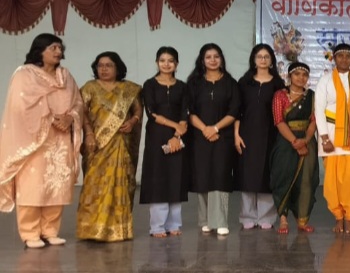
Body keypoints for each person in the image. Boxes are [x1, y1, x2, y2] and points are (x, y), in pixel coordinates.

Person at [0, 34, 83, 249]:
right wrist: (50, 117)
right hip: (34, 140)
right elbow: (20, 105)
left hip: (60, 139)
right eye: (53, 47)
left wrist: (70, 118)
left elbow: (78, 103)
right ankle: (30, 233)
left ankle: (50, 231)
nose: (58, 52)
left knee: (57, 185)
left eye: (60, 48)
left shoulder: (65, 76)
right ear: (40, 50)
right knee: (33, 187)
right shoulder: (24, 74)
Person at [77, 51, 142, 242]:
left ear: (117, 68)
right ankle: (91, 229)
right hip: (96, 144)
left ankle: (117, 229)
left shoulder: (128, 89)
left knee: (120, 183)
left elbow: (138, 109)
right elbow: (82, 113)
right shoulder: (89, 87)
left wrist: (132, 121)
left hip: (120, 143)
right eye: (100, 65)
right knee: (94, 185)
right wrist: (89, 134)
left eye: (108, 65)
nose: (104, 69)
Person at [315, 43, 350, 234]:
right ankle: (338, 218)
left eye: (348, 56)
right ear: (334, 58)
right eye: (340, 56)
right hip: (331, 136)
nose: (344, 60)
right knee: (334, 183)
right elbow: (319, 111)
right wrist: (324, 138)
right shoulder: (325, 81)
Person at [188, 43, 240, 236]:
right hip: (200, 137)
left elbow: (234, 111)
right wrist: (205, 129)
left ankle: (220, 221)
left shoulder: (231, 83)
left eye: (216, 56)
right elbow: (189, 111)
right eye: (208, 57)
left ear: (221, 59)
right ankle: (206, 220)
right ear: (202, 60)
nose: (212, 60)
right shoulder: (194, 83)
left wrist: (215, 128)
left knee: (220, 176)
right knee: (203, 176)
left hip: (223, 137)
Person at [140, 47, 190, 238]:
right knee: (158, 179)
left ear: (176, 64)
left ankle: (174, 224)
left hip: (179, 137)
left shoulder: (183, 86)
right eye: (162, 60)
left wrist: (177, 135)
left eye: (170, 61)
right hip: (157, 136)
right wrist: (175, 126)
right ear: (157, 63)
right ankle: (157, 227)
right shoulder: (150, 85)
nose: (166, 64)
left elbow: (185, 112)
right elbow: (151, 113)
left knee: (176, 178)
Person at [234, 44, 285, 230]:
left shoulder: (278, 84)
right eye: (259, 56)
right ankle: (247, 216)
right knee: (247, 176)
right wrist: (236, 135)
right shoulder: (244, 83)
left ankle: (266, 217)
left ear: (271, 60)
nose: (263, 60)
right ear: (253, 60)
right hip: (246, 135)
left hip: (271, 135)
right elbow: (237, 111)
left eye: (266, 57)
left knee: (266, 176)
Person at [270, 62, 318, 234]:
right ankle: (283, 219)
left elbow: (314, 121)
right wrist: (295, 141)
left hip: (307, 141)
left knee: (306, 180)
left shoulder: (311, 96)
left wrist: (305, 140)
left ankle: (302, 220)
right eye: (297, 74)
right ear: (289, 76)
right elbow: (279, 121)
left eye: (304, 75)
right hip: (286, 141)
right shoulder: (280, 95)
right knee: (284, 178)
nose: (301, 78)